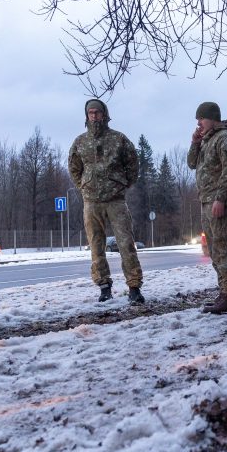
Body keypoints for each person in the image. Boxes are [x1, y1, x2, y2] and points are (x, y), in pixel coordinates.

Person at [68, 99, 145, 305]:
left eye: (97, 112)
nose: (94, 116)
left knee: (126, 244)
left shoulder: (119, 139)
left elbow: (133, 164)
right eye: (90, 112)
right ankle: (104, 287)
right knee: (96, 246)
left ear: (104, 114)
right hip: (91, 202)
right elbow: (74, 168)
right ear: (86, 115)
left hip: (116, 201)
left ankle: (134, 287)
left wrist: (122, 185)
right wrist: (84, 186)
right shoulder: (80, 142)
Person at [188, 101, 227, 314]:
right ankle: (224, 292)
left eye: (201, 119)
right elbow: (192, 163)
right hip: (206, 201)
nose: (198, 123)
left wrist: (220, 199)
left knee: (221, 247)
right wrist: (195, 142)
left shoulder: (226, 139)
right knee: (213, 249)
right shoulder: (206, 140)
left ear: (212, 118)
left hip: (218, 202)